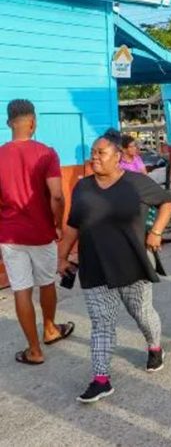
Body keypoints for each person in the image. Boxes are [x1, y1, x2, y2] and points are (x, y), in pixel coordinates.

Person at [57, 128, 171, 403]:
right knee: (101, 323)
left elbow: (167, 202)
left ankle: (155, 346)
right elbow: (73, 225)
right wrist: (62, 257)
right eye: (93, 153)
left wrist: (156, 231)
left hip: (132, 262)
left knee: (141, 312)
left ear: (118, 156)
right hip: (95, 265)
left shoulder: (136, 182)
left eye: (101, 152)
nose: (94, 157)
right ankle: (101, 379)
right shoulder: (83, 186)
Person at [0, 99, 72, 366]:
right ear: (32, 122)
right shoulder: (46, 153)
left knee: (20, 289)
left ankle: (34, 350)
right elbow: (56, 195)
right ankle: (50, 329)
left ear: (9, 123)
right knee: (46, 282)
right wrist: (58, 223)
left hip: (9, 234)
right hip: (41, 232)